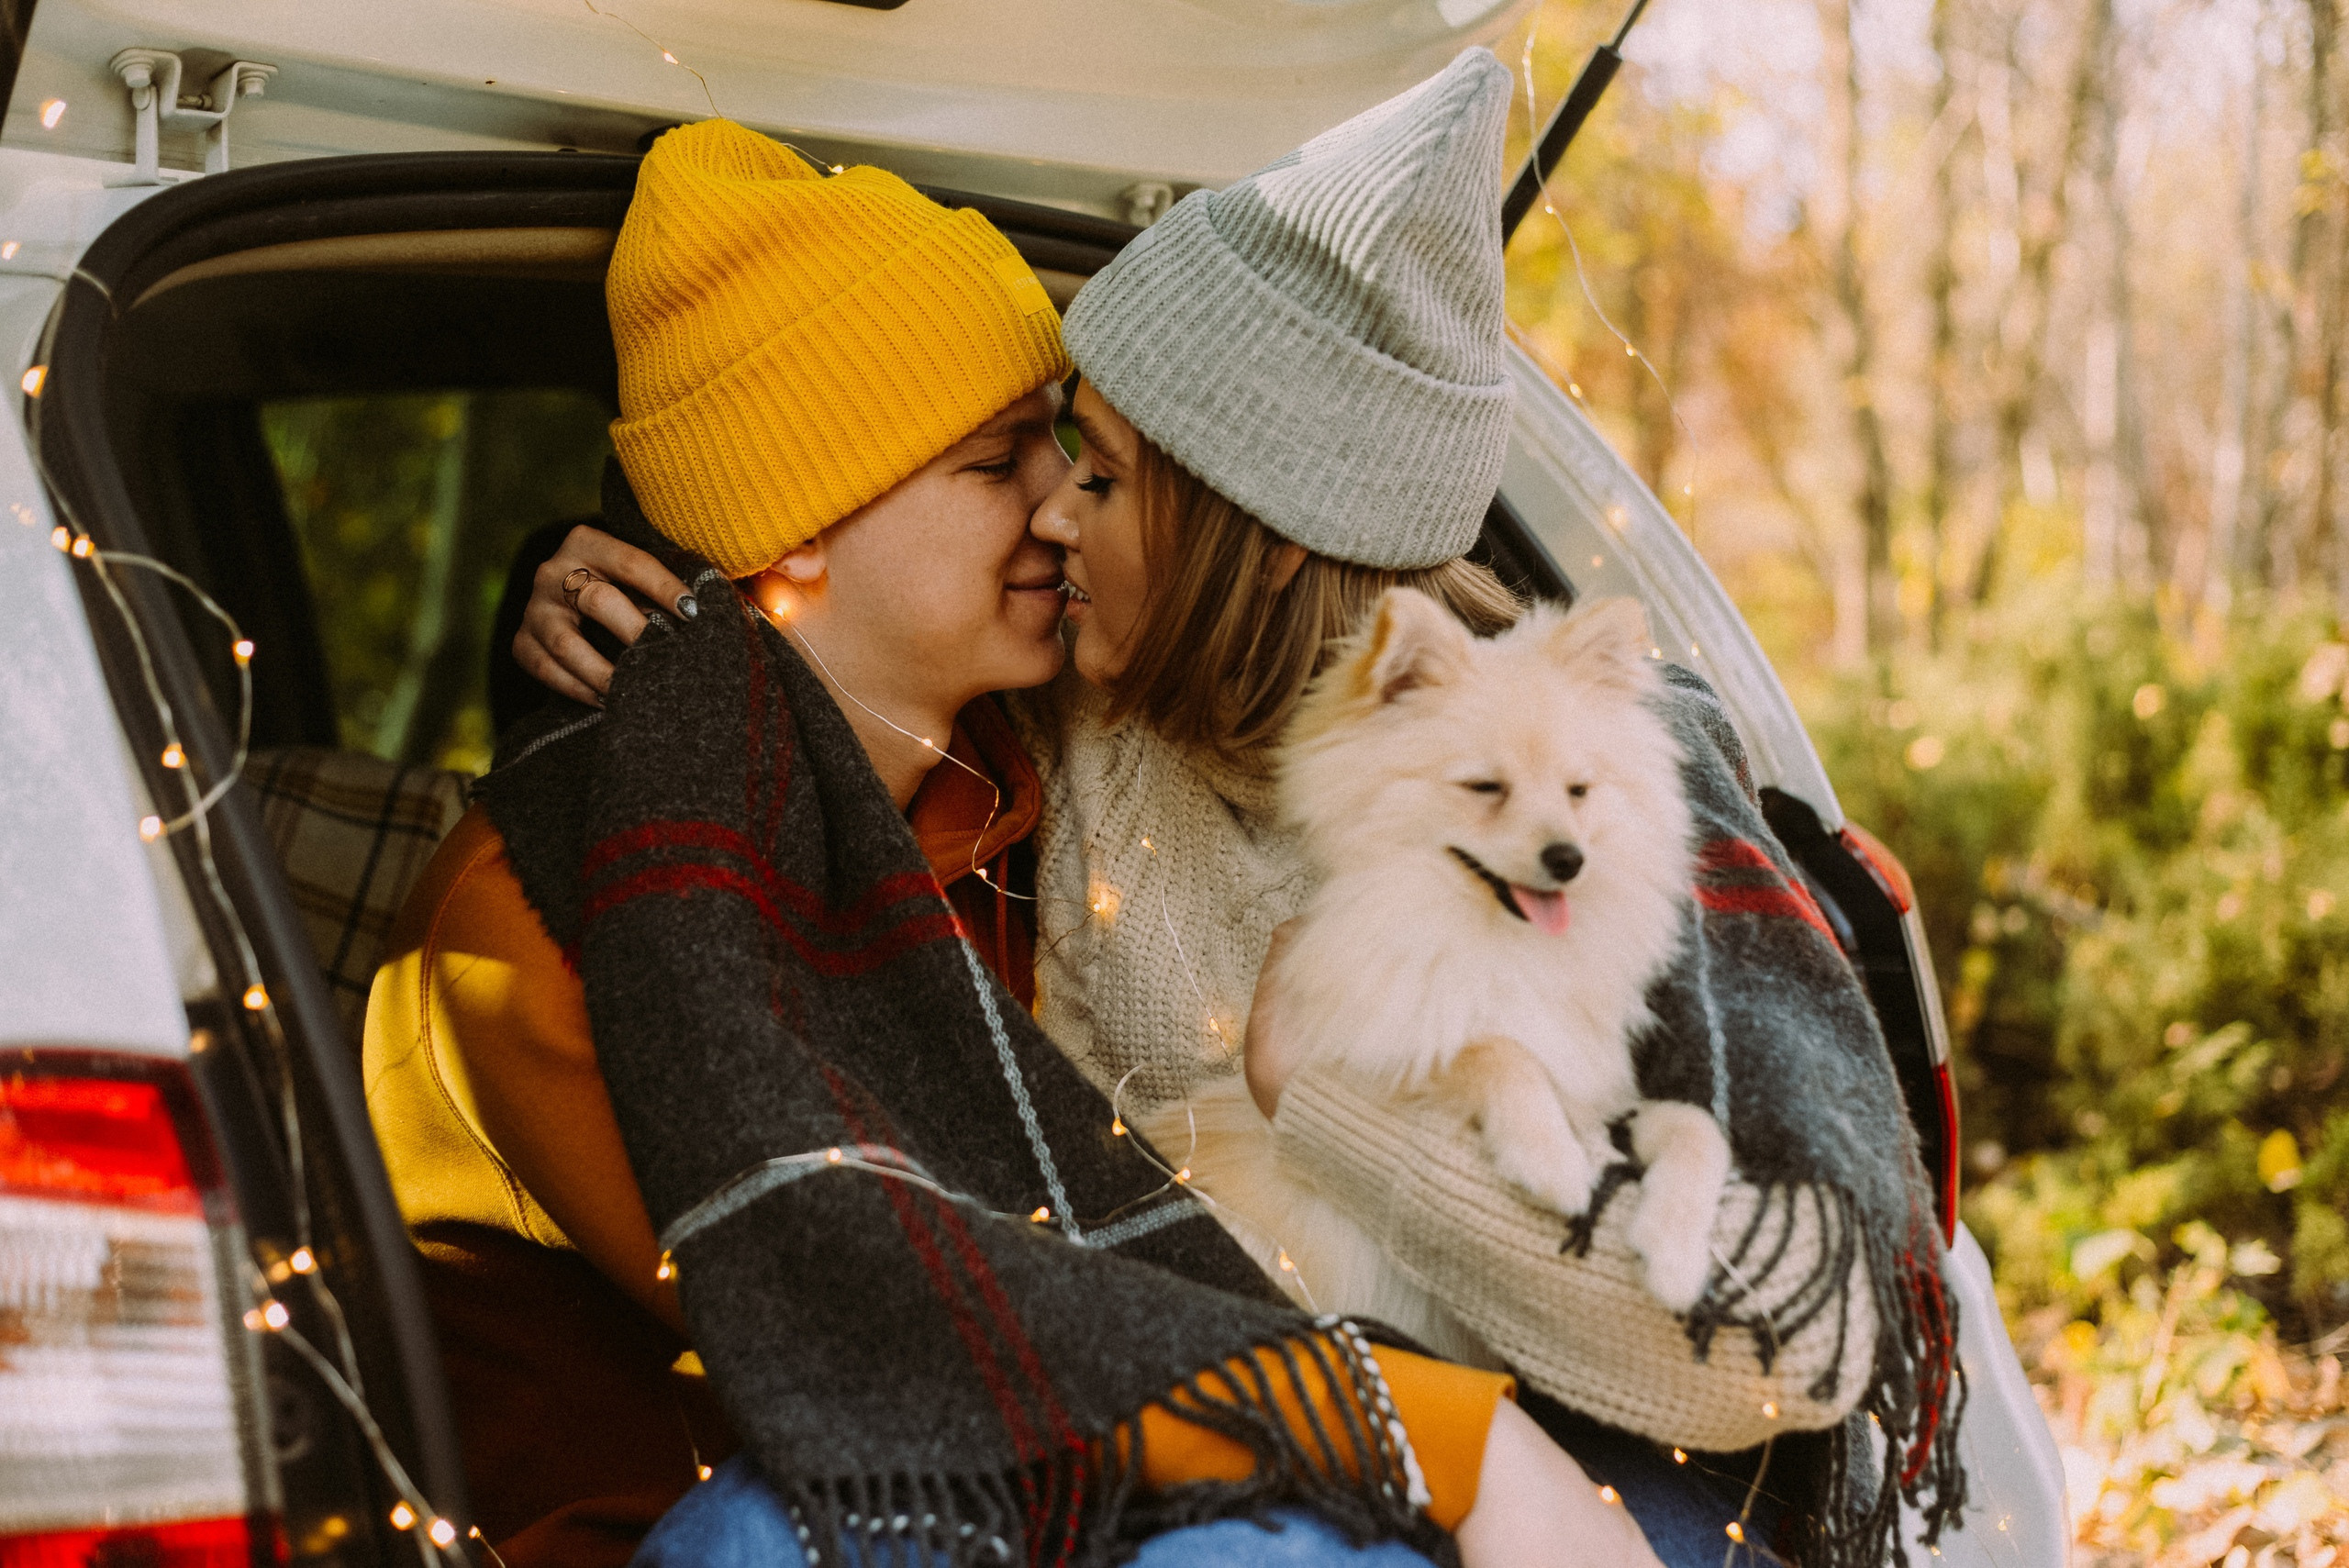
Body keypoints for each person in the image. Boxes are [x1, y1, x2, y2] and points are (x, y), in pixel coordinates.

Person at [527, 49, 1970, 1568]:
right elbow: (845, 608)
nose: (1052, 513)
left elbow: (1790, 1338)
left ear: (1261, 541)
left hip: (1592, 1474)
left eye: (1107, 477)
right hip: (1215, 1390)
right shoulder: (1089, 710)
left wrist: (1334, 1102)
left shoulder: (1590, 782)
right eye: (1050, 460)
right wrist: (601, 584)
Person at [366, 109, 1645, 1568]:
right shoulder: (551, 918)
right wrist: (1445, 1437)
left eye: (1060, 450)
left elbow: (1332, 659)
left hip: (1020, 1478)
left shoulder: (1017, 783)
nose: (1058, 508)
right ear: (798, 526)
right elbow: (889, 1305)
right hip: (689, 1521)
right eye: (991, 466)